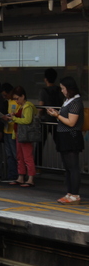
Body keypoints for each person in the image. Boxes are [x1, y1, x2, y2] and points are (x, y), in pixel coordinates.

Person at [47, 77, 84, 205]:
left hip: (71, 136)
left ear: (69, 88)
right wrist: (57, 114)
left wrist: (57, 115)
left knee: (73, 167)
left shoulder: (76, 102)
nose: (62, 91)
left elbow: (71, 122)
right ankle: (70, 192)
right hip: (64, 136)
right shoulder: (68, 100)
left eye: (63, 88)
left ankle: (75, 194)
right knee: (68, 167)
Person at [3, 86, 37, 187]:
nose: (16, 101)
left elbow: (27, 120)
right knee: (20, 157)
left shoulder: (28, 106)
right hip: (19, 134)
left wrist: (14, 118)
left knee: (27, 157)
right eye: (15, 99)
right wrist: (14, 116)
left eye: (17, 98)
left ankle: (30, 178)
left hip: (25, 135)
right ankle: (21, 176)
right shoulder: (21, 106)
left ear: (23, 96)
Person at [1, 83, 19, 181]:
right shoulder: (8, 102)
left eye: (6, 95)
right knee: (9, 155)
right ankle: (12, 174)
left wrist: (9, 117)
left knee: (15, 154)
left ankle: (18, 174)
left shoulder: (16, 102)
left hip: (13, 131)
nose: (5, 97)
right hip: (7, 130)